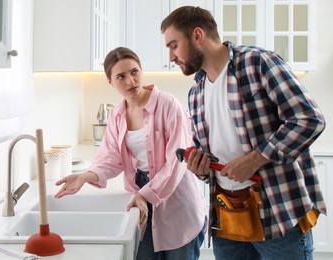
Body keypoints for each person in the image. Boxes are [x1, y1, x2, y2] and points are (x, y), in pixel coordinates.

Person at [160, 6, 326, 260]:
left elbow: (309, 119)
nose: (171, 56)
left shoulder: (258, 63)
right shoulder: (197, 92)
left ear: (197, 36)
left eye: (173, 45)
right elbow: (212, 155)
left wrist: (255, 159)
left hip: (279, 213)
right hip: (228, 218)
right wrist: (202, 168)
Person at [54, 47, 207, 260]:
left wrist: (145, 194)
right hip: (139, 200)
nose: (130, 81)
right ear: (110, 82)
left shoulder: (168, 104)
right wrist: (85, 176)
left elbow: (177, 161)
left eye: (134, 72)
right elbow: (110, 158)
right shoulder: (117, 115)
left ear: (142, 71)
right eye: (121, 76)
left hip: (176, 200)